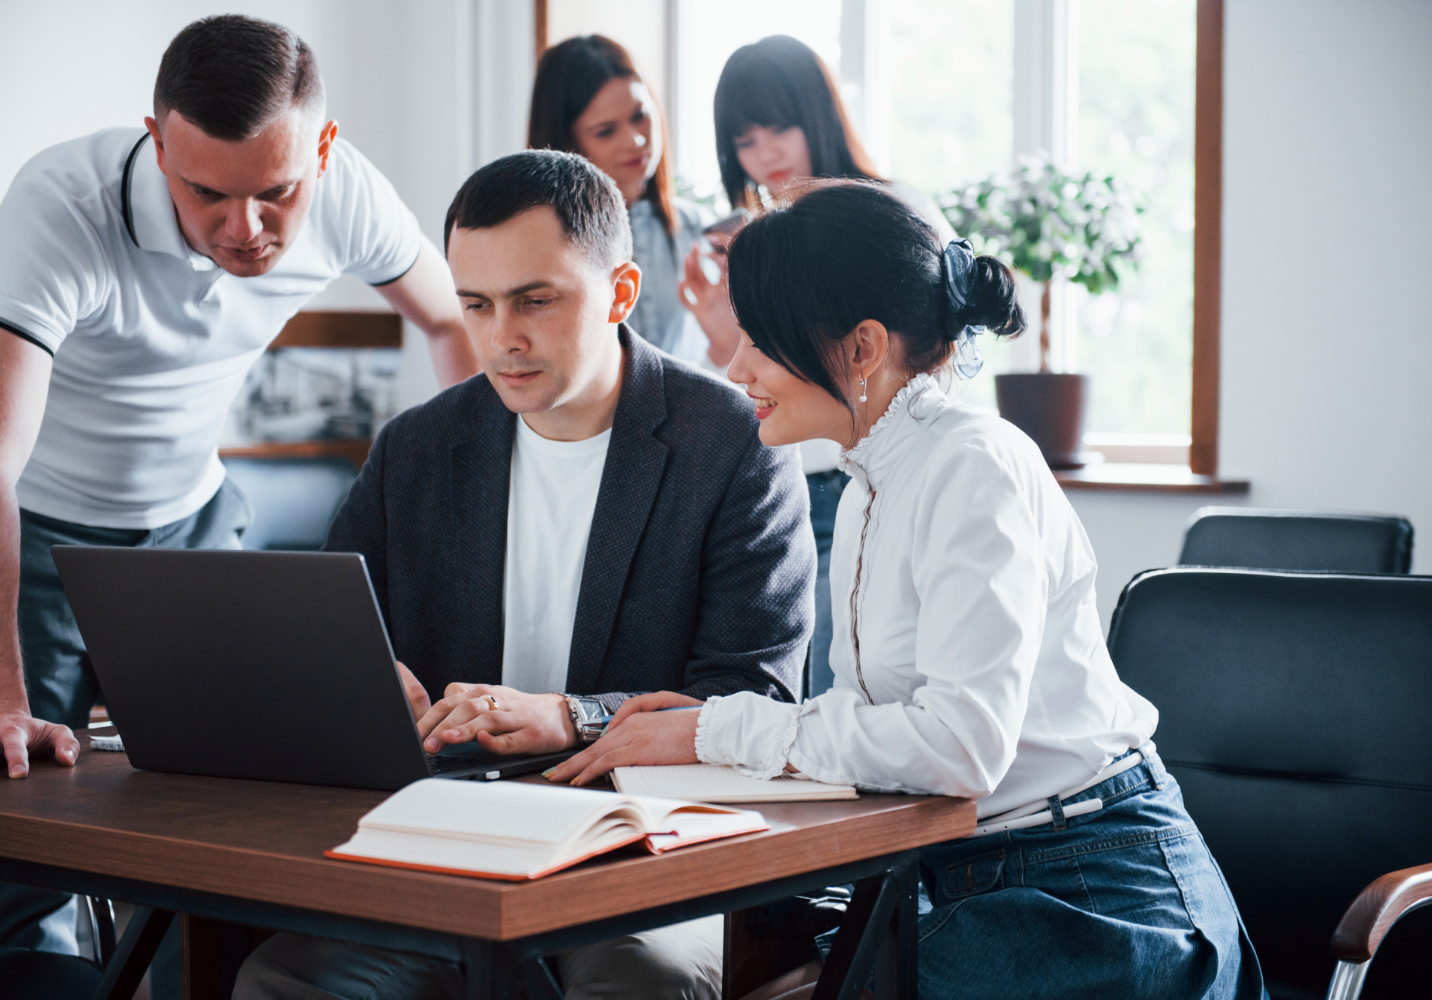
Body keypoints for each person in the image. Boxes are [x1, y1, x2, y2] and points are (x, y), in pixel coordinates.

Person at [552, 182, 1269, 1000]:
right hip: (963, 871)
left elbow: (960, 746)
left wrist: (715, 731)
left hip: (1091, 891)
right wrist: (701, 731)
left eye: (758, 339)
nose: (733, 365)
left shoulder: (974, 465)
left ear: (862, 348)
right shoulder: (868, 483)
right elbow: (874, 727)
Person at [0, 14, 478, 990]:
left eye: (277, 193)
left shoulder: (349, 193)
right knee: (23, 856)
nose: (247, 230)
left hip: (196, 523)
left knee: (219, 819)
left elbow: (449, 318)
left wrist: (458, 492)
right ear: (157, 144)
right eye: (207, 194)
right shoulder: (61, 202)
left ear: (320, 151)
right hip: (36, 530)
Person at [231, 150, 815, 1000]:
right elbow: (332, 639)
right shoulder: (415, 448)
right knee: (286, 980)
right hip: (455, 836)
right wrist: (364, 687)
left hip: (648, 846)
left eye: (535, 300)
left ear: (619, 293)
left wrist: (568, 719)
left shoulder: (734, 444)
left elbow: (753, 694)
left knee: (640, 981)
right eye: (475, 304)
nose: (502, 337)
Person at [680, 33, 962, 700]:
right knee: (795, 690)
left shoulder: (890, 213)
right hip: (777, 488)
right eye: (744, 140)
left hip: (856, 480)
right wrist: (726, 336)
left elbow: (934, 354)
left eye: (777, 127)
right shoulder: (745, 242)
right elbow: (741, 381)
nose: (764, 154)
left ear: (821, 113)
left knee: (852, 692)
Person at [529, 35, 710, 365]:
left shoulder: (702, 231)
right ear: (565, 143)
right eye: (606, 131)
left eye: (640, 115)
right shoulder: (539, 245)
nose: (636, 139)